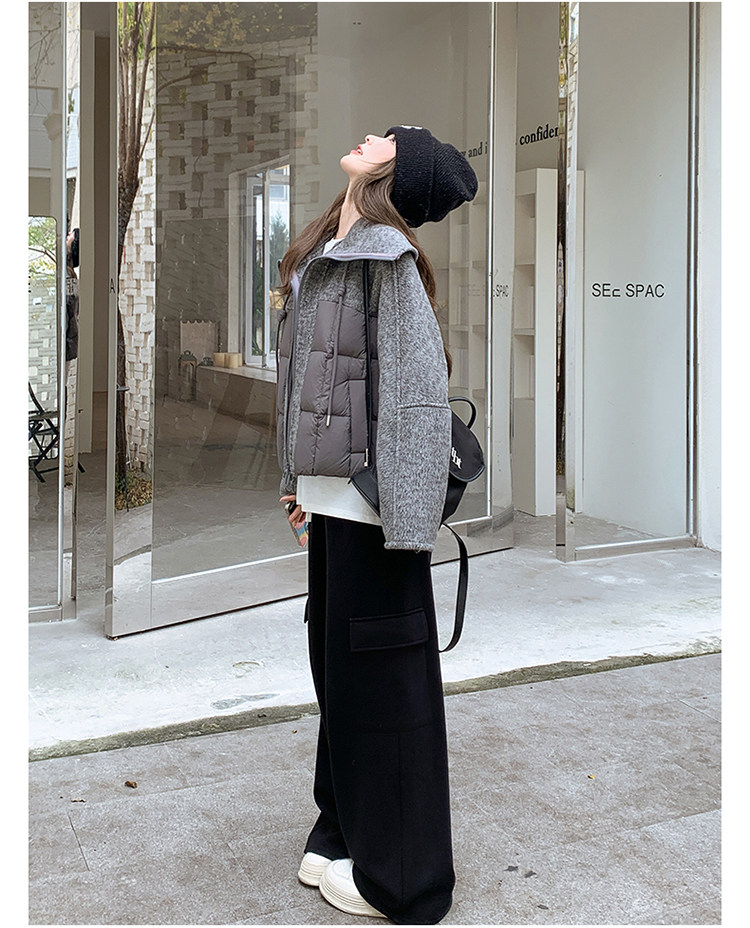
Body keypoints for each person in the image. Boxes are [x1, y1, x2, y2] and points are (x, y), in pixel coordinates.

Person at [275, 126, 477, 925]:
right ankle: (341, 831)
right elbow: (308, 383)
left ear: (399, 172)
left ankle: (407, 880)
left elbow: (418, 401)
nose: (368, 135)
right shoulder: (335, 250)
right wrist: (297, 484)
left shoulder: (387, 261)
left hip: (378, 515)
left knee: (388, 693)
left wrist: (409, 528)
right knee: (340, 678)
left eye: (385, 138)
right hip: (334, 505)